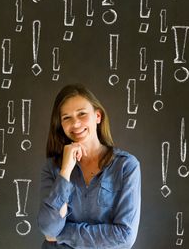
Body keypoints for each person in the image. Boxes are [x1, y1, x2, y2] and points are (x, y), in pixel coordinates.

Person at [37, 84, 141, 249]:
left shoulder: (126, 166)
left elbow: (125, 236)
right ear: (61, 125)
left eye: (82, 114)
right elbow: (49, 227)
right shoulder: (52, 167)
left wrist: (61, 235)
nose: (76, 123)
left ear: (97, 116)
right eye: (66, 117)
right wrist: (65, 171)